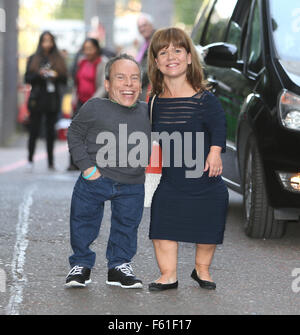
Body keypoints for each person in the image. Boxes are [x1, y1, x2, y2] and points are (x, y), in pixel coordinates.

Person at [147, 27, 229, 291]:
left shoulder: (205, 99)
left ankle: (202, 270)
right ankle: (168, 275)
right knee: (162, 226)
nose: (171, 56)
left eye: (178, 50)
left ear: (190, 57)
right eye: (163, 51)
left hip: (205, 180)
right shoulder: (154, 102)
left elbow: (219, 126)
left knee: (208, 226)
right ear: (157, 62)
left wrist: (215, 151)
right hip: (171, 181)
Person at [65, 53, 151, 288]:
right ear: (107, 84)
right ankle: (81, 264)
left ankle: (118, 266)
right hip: (94, 179)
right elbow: (74, 133)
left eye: (135, 78)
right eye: (120, 77)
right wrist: (86, 166)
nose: (128, 84)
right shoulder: (94, 107)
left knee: (127, 225)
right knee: (83, 220)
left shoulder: (147, 111)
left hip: (132, 183)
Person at [25, 31, 67, 170]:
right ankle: (30, 159)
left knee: (50, 131)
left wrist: (54, 75)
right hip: (37, 98)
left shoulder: (58, 58)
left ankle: (50, 161)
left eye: (49, 40)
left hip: (52, 99)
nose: (47, 44)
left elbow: (65, 79)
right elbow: (27, 78)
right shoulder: (34, 58)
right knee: (34, 130)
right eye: (44, 40)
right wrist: (39, 74)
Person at [67, 38, 109, 171]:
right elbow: (76, 83)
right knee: (75, 132)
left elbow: (104, 85)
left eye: (91, 48)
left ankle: (95, 162)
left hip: (95, 103)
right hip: (80, 101)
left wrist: (93, 101)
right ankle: (74, 162)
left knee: (94, 134)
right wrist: (74, 98)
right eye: (85, 49)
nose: (88, 51)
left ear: (97, 49)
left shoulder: (103, 62)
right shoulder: (81, 62)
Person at [136, 13, 155, 101]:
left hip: (151, 86)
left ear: (151, 25)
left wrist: (135, 81)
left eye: (144, 25)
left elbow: (150, 67)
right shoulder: (143, 43)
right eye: (139, 27)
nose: (142, 29)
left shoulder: (156, 39)